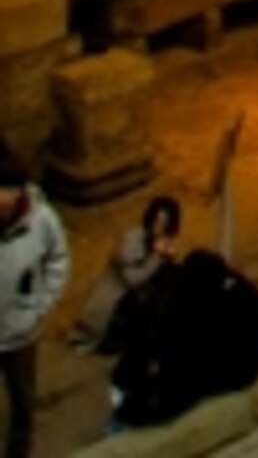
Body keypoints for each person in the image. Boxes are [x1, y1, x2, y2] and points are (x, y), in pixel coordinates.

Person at [108, 243, 258, 432]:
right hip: (235, 367)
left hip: (216, 369)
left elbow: (177, 372)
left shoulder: (192, 311)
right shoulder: (237, 292)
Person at [0, 155, 67, 458]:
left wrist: (39, 306)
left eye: (9, 191)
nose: (3, 200)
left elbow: (58, 260)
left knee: (23, 404)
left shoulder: (42, 221)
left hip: (21, 334)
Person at [70, 192, 178, 356]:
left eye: (164, 224)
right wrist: (156, 259)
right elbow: (132, 279)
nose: (159, 228)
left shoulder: (164, 244)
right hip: (114, 302)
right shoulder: (132, 240)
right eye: (157, 222)